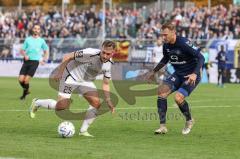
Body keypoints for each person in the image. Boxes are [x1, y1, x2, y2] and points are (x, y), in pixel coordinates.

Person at [29, 40, 116, 137]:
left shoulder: (109, 64)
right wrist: (60, 73)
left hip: (85, 82)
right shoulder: (89, 53)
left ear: (113, 53)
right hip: (70, 76)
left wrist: (108, 100)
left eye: (108, 54)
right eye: (103, 52)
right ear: (101, 49)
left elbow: (106, 83)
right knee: (61, 107)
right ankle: (37, 102)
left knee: (96, 104)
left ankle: (83, 131)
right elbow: (67, 56)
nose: (104, 56)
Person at [146, 22, 204, 135]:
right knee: (161, 93)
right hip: (178, 74)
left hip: (191, 75)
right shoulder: (166, 45)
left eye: (166, 34)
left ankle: (189, 120)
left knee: (178, 98)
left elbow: (201, 58)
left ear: (173, 33)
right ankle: (162, 127)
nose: (164, 37)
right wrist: (154, 71)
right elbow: (165, 59)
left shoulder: (184, 43)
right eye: (162, 34)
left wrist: (195, 73)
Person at [18, 24, 49, 100]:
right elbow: (21, 50)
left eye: (38, 29)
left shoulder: (41, 41)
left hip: (35, 62)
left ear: (39, 31)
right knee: (20, 79)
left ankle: (24, 96)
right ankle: (27, 90)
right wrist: (25, 55)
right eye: (35, 28)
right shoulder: (28, 39)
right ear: (33, 29)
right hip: (26, 61)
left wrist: (44, 59)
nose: (36, 30)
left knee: (26, 80)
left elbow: (46, 50)